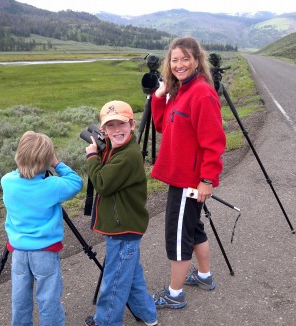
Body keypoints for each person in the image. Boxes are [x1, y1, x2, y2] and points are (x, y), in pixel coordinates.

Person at [150, 36, 227, 309]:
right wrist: (158, 97)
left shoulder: (202, 93)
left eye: (185, 59)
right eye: (174, 60)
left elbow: (214, 142)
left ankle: (174, 294)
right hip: (181, 178)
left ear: (197, 61)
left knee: (178, 236)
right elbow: (162, 125)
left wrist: (207, 180)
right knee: (193, 230)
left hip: (189, 181)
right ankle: (204, 276)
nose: (179, 64)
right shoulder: (179, 91)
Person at [84, 100, 158, 326]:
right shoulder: (122, 148)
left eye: (121, 124)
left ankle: (106, 321)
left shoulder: (127, 156)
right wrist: (102, 145)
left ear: (132, 125)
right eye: (110, 126)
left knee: (115, 280)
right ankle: (148, 315)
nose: (117, 130)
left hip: (122, 228)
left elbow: (103, 183)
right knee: (131, 275)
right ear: (104, 130)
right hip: (126, 225)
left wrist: (92, 157)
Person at [1, 130, 83, 326]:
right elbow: (76, 182)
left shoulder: (7, 182)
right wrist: (56, 163)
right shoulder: (52, 186)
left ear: (18, 156)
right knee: (48, 298)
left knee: (20, 298)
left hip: (19, 252)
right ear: (46, 161)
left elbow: (17, 173)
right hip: (45, 252)